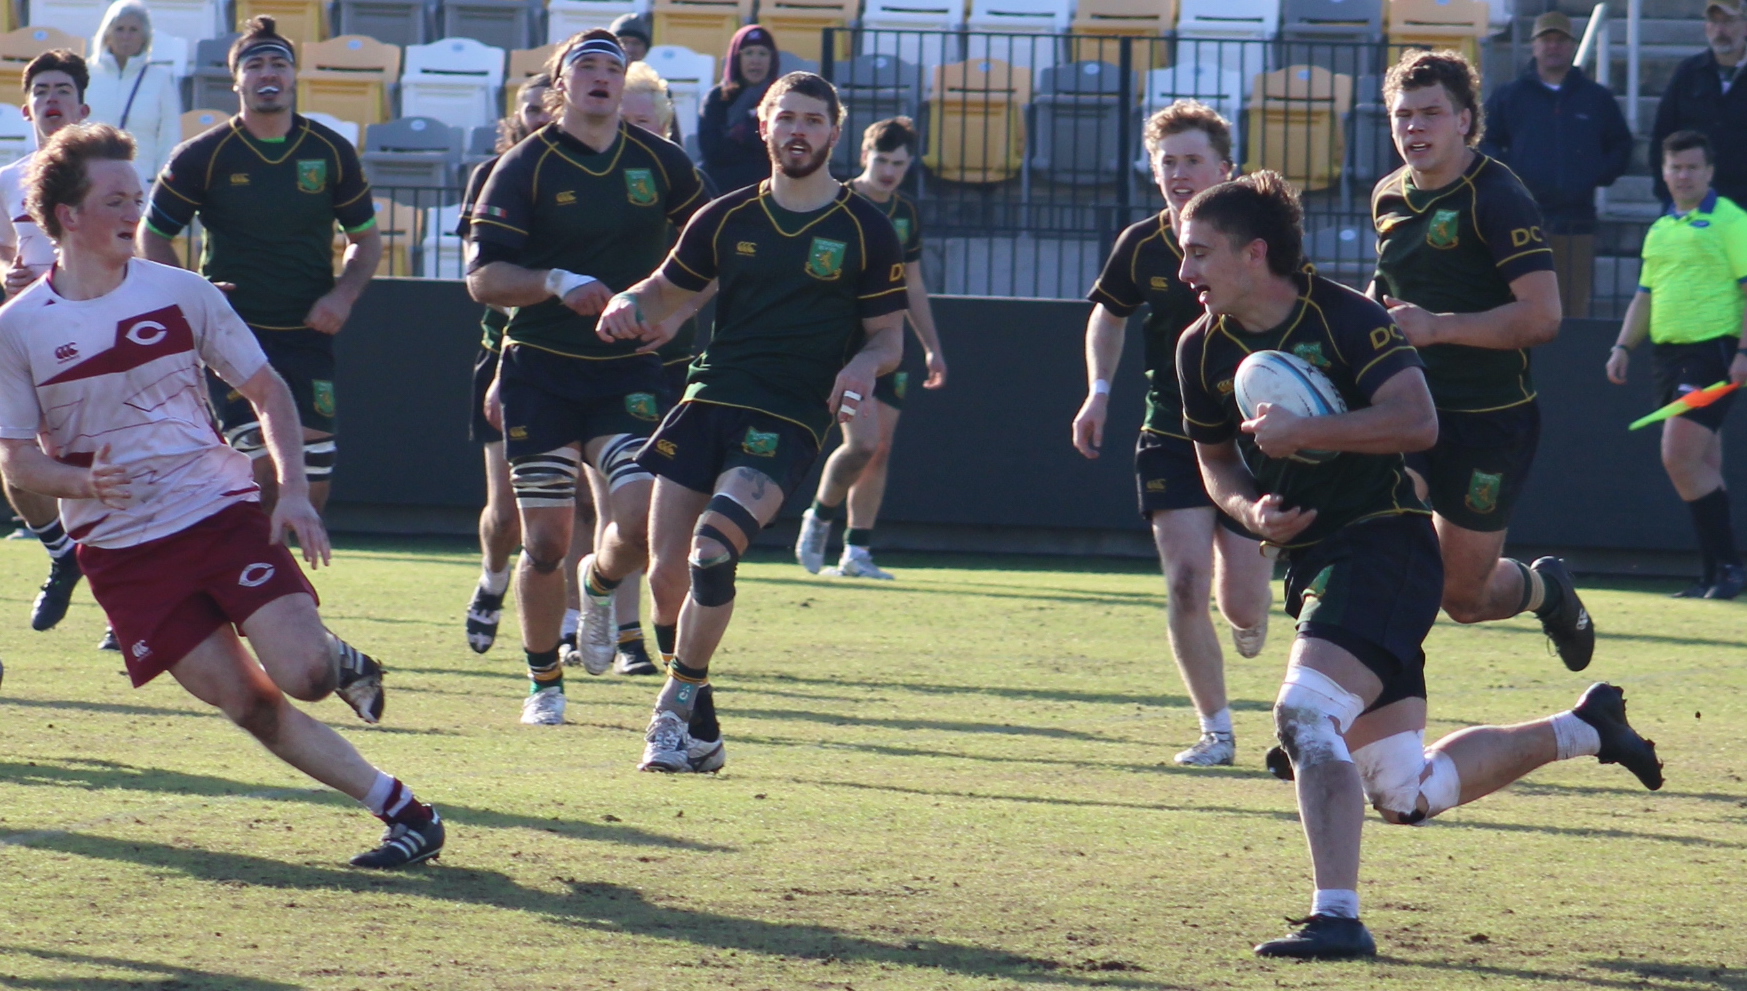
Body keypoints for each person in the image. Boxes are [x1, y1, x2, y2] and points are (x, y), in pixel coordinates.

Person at [1175, 170, 1664, 960]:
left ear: (1252, 252)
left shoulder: (1345, 317)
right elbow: (1215, 462)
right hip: (1311, 561)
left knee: (1304, 715)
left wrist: (1309, 434)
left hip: (1382, 544)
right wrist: (1248, 511)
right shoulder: (1199, 345)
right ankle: (1584, 728)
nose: (1184, 272)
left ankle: (1336, 914)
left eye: (1197, 253)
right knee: (1405, 792)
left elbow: (1417, 418)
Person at [0, 122, 445, 869]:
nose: (133, 213)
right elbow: (14, 462)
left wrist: (294, 493)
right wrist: (80, 482)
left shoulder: (182, 291)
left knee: (303, 674)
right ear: (69, 215)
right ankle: (407, 813)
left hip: (217, 511)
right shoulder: (18, 329)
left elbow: (268, 391)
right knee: (249, 703)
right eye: (116, 199)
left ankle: (333, 654)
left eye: (137, 198)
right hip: (122, 551)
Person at [598, 71, 907, 772]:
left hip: (787, 414)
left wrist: (862, 367)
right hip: (708, 398)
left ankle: (672, 711)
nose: (798, 131)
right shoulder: (726, 216)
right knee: (666, 576)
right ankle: (704, 732)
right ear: (763, 127)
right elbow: (662, 291)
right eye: (785, 117)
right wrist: (626, 302)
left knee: (713, 551)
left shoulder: (866, 228)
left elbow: (887, 339)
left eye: (812, 120)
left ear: (834, 131)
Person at [466, 30, 708, 724]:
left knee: (635, 525)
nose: (602, 77)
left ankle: (598, 585)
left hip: (627, 371)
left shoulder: (662, 163)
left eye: (613, 67)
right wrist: (553, 280)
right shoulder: (523, 166)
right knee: (540, 540)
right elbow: (483, 278)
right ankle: (544, 682)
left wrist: (677, 307)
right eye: (587, 67)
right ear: (561, 84)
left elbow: (711, 247)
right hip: (539, 371)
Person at [1371, 49, 1593, 672]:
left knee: (1463, 597)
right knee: (1387, 537)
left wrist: (1437, 329)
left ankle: (1546, 589)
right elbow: (1387, 292)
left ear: (1466, 120)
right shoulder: (1388, 194)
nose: (1415, 128)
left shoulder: (1498, 197)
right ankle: (1348, 690)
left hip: (1491, 420)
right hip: (1411, 408)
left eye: (1431, 114)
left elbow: (1542, 317)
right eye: (1403, 116)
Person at [1065, 100, 1272, 767]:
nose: (1178, 173)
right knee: (1185, 580)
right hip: (1170, 430)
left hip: (1248, 435)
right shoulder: (1142, 241)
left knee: (1240, 602)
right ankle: (1216, 732)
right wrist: (1097, 391)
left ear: (1224, 167)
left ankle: (1255, 589)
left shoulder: (1257, 239)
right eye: (1167, 161)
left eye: (1191, 160)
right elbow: (1107, 315)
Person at [142, 16, 383, 517]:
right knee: (261, 474)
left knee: (313, 480)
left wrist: (342, 295)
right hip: (233, 332)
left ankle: (280, 584)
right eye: (255, 64)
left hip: (306, 335)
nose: (267, 72)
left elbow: (365, 240)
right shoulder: (203, 155)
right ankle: (253, 587)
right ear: (237, 81)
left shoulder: (329, 150)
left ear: (295, 77)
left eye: (279, 62)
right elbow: (153, 234)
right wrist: (192, 297)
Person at [794, 116, 946, 580]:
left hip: (890, 344)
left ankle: (857, 551)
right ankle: (819, 515)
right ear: (864, 156)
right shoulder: (837, 201)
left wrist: (931, 347)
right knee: (861, 443)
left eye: (898, 163)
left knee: (880, 448)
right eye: (882, 160)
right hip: (846, 346)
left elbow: (913, 284)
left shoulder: (906, 212)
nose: (889, 171)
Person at [1607, 130, 1747, 598]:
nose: (1683, 176)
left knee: (1678, 455)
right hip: (1668, 357)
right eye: (1675, 168)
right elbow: (1645, 296)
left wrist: (1744, 352)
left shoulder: (1731, 222)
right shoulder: (1661, 228)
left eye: (1692, 167)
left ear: (1710, 172)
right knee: (1702, 461)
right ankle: (1715, 574)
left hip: (1712, 351)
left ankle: (1729, 568)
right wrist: (1623, 346)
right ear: (1663, 173)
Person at [0, 51, 96, 637]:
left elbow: (126, 257)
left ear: (83, 107)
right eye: (40, 89)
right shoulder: (8, 180)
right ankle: (64, 556)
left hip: (92, 335)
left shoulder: (106, 175)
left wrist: (57, 280)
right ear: (26, 105)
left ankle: (129, 592)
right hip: (26, 338)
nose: (51, 97)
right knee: (15, 463)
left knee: (107, 463)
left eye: (62, 87)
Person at [459, 73, 552, 655]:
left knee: (576, 505)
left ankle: (566, 626)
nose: (539, 118)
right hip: (506, 352)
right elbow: (482, 278)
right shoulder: (493, 177)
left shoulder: (592, 173)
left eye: (548, 108)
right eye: (530, 109)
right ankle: (493, 578)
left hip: (581, 352)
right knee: (508, 510)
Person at [1480, 10, 1633, 319]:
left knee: (1572, 310)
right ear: (1534, 46)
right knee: (1518, 308)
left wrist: (1594, 175)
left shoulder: (1596, 98)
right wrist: (1510, 178)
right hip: (1522, 222)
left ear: (1572, 45)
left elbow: (1621, 145)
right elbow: (1485, 140)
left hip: (1577, 222)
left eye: (1560, 40)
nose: (1553, 46)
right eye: (1546, 39)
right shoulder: (1510, 96)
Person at [1652, 0, 1747, 208]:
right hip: (1691, 203)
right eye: (1713, 21)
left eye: (1729, 21)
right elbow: (1663, 134)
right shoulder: (1688, 73)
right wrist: (1667, 194)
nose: (1720, 30)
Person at [85, 0, 181, 185]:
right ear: (107, 34)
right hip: (93, 180)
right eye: (120, 29)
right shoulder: (86, 73)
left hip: (141, 182)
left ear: (144, 37)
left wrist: (161, 181)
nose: (126, 36)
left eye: (133, 30)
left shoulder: (160, 79)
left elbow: (169, 136)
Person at [698, 25, 779, 195]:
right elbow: (712, 149)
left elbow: (777, 149)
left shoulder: (781, 99)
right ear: (736, 58)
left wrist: (742, 136)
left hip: (765, 188)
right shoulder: (717, 98)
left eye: (762, 53)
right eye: (748, 53)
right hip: (720, 187)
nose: (755, 60)